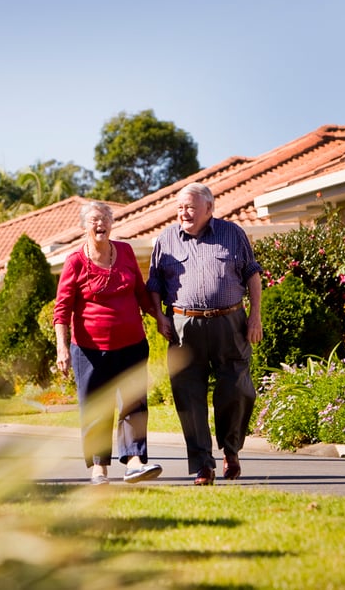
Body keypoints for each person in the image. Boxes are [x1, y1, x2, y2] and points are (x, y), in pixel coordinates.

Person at [146, 183, 263, 486]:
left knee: (236, 387)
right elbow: (155, 284)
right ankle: (203, 465)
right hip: (184, 325)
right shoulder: (166, 240)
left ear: (209, 209)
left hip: (230, 322)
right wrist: (159, 316)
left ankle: (231, 449)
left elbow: (252, 274)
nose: (184, 213)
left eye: (190, 207)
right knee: (187, 394)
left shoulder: (232, 233)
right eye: (180, 207)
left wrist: (254, 316)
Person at [54, 201, 164, 485]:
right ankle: (99, 467)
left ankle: (135, 461)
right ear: (84, 225)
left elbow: (140, 292)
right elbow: (62, 309)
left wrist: (159, 318)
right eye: (93, 219)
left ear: (112, 223)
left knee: (134, 403)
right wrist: (62, 347)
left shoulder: (125, 251)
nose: (99, 223)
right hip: (89, 351)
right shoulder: (75, 261)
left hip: (132, 344)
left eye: (104, 218)